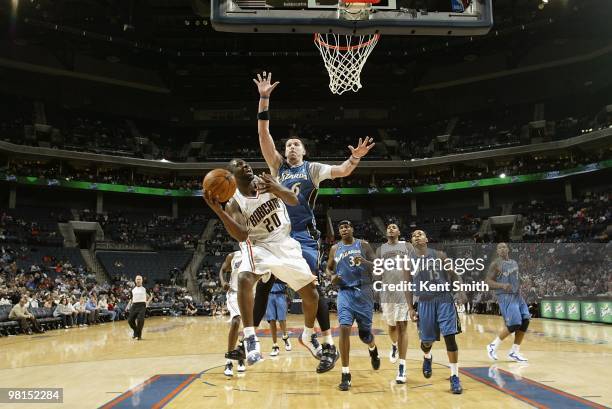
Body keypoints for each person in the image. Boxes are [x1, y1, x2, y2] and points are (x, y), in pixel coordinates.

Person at [252, 71, 375, 373]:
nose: (291, 147)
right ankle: (248, 339)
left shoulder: (312, 169)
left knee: (312, 287)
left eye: (297, 144)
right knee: (260, 284)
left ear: (304, 151)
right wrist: (264, 99)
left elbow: (344, 171)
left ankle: (324, 342)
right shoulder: (277, 166)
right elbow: (263, 135)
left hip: (304, 237)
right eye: (289, 144)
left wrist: (356, 158)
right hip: (276, 237)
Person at [203, 158, 320, 367]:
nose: (245, 165)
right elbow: (241, 235)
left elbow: (294, 200)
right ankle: (250, 338)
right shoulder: (234, 201)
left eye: (245, 163)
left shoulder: (266, 180)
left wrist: (276, 187)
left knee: (311, 292)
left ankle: (308, 336)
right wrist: (219, 212)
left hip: (284, 242)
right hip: (258, 245)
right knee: (245, 277)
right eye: (238, 165)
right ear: (230, 176)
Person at [406, 230, 466, 394]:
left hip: (444, 299)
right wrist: (411, 308)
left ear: (426, 239)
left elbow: (454, 274)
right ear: (411, 241)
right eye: (414, 235)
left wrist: (460, 291)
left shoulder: (439, 255)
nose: (417, 236)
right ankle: (427, 357)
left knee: (450, 337)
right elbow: (407, 285)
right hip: (424, 302)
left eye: (420, 234)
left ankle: (454, 376)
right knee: (426, 342)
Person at [326, 220, 380, 391]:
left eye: (347, 226)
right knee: (344, 328)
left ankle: (372, 348)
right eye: (341, 227)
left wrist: (364, 261)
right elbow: (328, 268)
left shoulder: (363, 244)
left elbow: (377, 266)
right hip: (345, 293)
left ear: (352, 229)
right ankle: (345, 373)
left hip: (363, 292)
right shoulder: (335, 248)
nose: (344, 229)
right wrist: (331, 277)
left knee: (365, 336)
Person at [376, 223, 415, 384]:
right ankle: (394, 345)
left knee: (402, 327)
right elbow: (377, 271)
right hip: (387, 291)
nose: (391, 229)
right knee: (391, 327)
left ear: (399, 232)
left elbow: (415, 265)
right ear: (386, 233)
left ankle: (402, 367)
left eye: (394, 227)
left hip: (403, 291)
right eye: (389, 227)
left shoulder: (407, 246)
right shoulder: (380, 249)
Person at [485, 243, 530, 362]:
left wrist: (522, 282)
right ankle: (492, 346)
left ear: (508, 249)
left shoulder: (514, 263)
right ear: (497, 251)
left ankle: (514, 352)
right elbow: (488, 281)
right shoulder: (495, 264)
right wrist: (502, 285)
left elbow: (515, 277)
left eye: (504, 247)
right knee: (514, 324)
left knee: (525, 320)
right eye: (500, 248)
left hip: (517, 295)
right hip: (505, 296)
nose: (502, 249)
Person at [219, 250, 246, 376]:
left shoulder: (258, 253)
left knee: (248, 328)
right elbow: (222, 270)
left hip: (251, 294)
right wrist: (223, 282)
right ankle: (229, 360)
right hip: (234, 293)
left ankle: (240, 356)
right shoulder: (233, 255)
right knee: (236, 321)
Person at [265, 279, 291, 356]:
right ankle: (275, 345)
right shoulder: (267, 269)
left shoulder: (281, 269)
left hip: (281, 295)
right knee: (272, 320)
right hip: (270, 296)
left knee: (281, 320)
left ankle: (285, 337)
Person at [127, 275, 152, 340]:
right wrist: (128, 306)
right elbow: (131, 299)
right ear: (135, 281)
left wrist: (147, 302)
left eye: (139, 279)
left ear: (142, 280)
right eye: (137, 279)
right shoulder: (132, 289)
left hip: (142, 306)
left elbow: (151, 296)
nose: (138, 280)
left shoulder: (145, 288)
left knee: (140, 321)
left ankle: (139, 336)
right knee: (130, 320)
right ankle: (135, 331)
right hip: (134, 305)